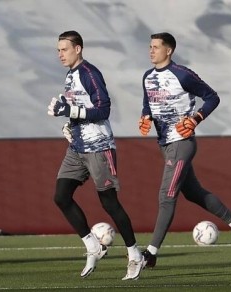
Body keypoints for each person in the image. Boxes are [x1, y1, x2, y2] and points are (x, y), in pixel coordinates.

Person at [138, 32, 231, 268]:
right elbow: (148, 102)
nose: (151, 51)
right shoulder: (147, 77)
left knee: (166, 196)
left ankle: (150, 253)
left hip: (182, 143)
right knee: (193, 192)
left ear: (168, 51)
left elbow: (212, 97)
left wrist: (197, 118)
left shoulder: (183, 75)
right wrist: (145, 116)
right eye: (150, 46)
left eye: (156, 47)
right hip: (165, 145)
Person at [47, 30, 143, 281]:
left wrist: (70, 110)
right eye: (58, 50)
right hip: (77, 148)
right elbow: (80, 110)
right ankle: (94, 245)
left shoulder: (90, 73)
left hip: (99, 147)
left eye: (64, 49)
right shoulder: (70, 76)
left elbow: (103, 109)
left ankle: (135, 254)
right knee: (61, 196)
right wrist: (69, 123)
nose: (60, 54)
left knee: (109, 203)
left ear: (78, 49)